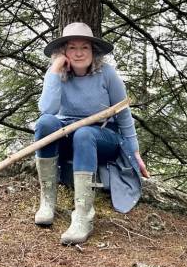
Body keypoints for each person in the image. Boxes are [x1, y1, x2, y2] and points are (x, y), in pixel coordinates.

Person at [34, 22, 150, 245]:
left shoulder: (107, 74)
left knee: (85, 134)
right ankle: (47, 201)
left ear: (92, 51)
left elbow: (123, 114)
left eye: (84, 47)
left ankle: (83, 215)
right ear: (64, 52)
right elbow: (47, 110)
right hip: (68, 132)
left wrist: (134, 152)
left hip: (102, 137)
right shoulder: (57, 74)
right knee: (46, 123)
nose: (78, 53)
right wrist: (55, 71)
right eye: (72, 48)